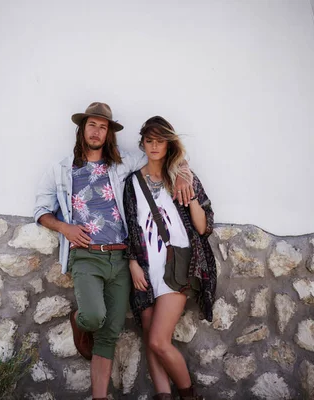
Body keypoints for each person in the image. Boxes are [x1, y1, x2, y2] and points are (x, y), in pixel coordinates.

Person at [34, 103, 194, 399]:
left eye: (103, 127)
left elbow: (158, 156)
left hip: (120, 258)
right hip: (86, 256)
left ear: (108, 134)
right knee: (94, 318)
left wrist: (183, 170)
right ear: (82, 129)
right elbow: (41, 211)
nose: (96, 131)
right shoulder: (61, 169)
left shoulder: (121, 164)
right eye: (92, 125)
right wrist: (64, 228)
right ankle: (77, 319)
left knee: (110, 332)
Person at [123, 116, 217, 400]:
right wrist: (132, 264)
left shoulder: (182, 177)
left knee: (159, 340)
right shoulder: (133, 183)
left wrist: (189, 194)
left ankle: (189, 396)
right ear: (142, 143)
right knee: (151, 341)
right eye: (149, 140)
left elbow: (202, 227)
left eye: (159, 140)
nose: (154, 146)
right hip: (145, 269)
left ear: (168, 144)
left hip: (177, 266)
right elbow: (128, 226)